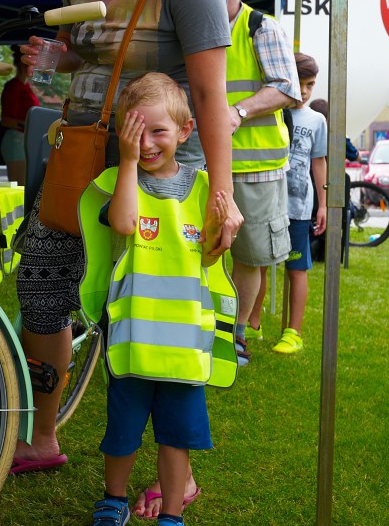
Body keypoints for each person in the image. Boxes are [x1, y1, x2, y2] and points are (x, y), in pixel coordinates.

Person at [12, 0, 242, 508]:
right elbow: (86, 57)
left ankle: (180, 472)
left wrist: (220, 197)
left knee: (157, 315)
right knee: (43, 282)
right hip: (83, 156)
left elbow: (208, 96)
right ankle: (43, 434)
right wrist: (48, 56)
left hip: (164, 174)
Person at [78, 73, 230, 526]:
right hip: (132, 343)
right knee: (122, 434)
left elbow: (210, 253)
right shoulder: (118, 182)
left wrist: (220, 233)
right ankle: (114, 499)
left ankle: (171, 513)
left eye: (158, 131)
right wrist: (125, 163)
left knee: (175, 437)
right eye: (134, 131)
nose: (145, 143)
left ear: (185, 132)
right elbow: (124, 224)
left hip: (184, 349)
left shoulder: (203, 188)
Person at [215, 0, 300, 364]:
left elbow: (287, 87)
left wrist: (239, 111)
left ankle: (234, 336)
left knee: (249, 256)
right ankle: (209, 330)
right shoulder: (204, 27)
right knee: (208, 250)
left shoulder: (260, 27)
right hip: (207, 161)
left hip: (256, 166)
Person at [271, 53, 326, 353]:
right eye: (300, 83)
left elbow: (319, 162)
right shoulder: (273, 112)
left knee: (297, 267)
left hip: (299, 209)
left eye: (311, 84)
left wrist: (324, 204)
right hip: (269, 201)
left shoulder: (317, 120)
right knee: (261, 263)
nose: (304, 91)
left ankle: (294, 331)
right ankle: (251, 325)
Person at [0, 44, 41, 185]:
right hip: (16, 140)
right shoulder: (13, 86)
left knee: (27, 186)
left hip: (26, 139)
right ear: (23, 64)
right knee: (20, 187)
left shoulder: (26, 87)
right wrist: (29, 125)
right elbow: (6, 120)